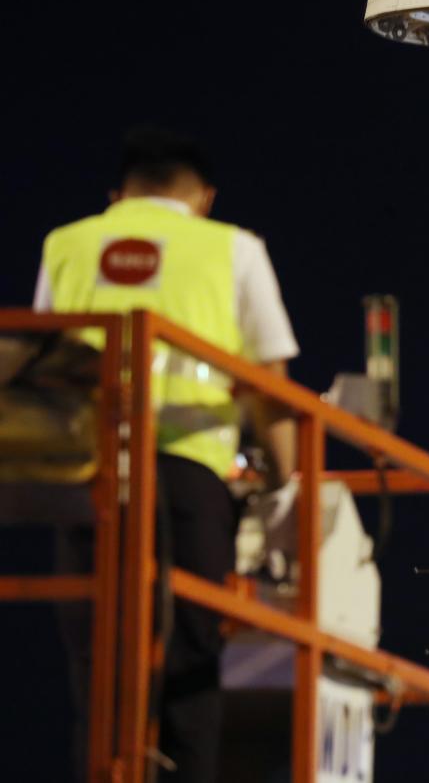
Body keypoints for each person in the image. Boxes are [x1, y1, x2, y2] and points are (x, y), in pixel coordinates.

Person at [34, 127, 299, 783]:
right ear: (203, 196)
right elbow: (270, 384)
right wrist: (288, 484)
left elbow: (44, 362)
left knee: (97, 656)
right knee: (190, 651)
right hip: (189, 474)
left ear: (116, 195)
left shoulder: (65, 246)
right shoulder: (233, 248)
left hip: (88, 475)